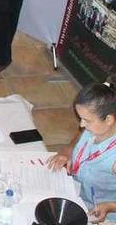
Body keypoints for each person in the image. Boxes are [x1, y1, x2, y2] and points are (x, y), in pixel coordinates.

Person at [47, 79, 116, 223]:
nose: (81, 124)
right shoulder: (96, 128)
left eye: (86, 120)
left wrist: (109, 206)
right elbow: (81, 136)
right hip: (78, 194)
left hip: (100, 214)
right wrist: (69, 149)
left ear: (109, 119)